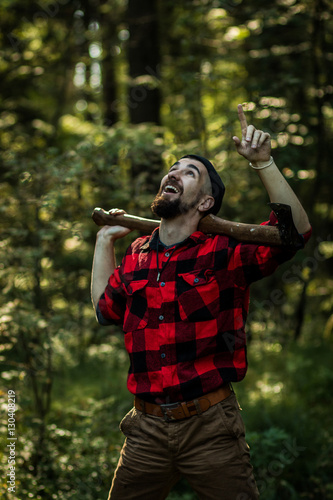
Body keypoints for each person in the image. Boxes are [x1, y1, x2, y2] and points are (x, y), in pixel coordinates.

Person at [91, 104, 311, 500]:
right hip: (145, 429)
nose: (174, 172)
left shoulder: (225, 252)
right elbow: (105, 310)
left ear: (206, 203)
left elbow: (295, 231)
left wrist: (263, 163)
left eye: (190, 172)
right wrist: (104, 241)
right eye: (173, 167)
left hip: (211, 428)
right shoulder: (139, 253)